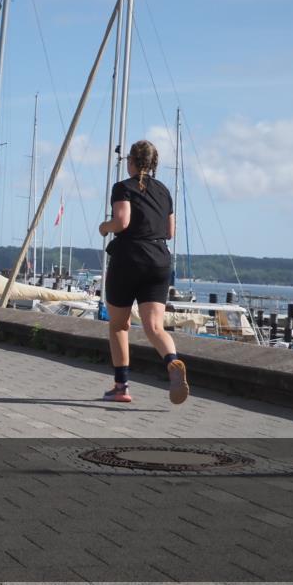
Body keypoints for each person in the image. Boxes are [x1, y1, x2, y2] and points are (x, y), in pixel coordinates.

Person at [98, 140, 188, 405]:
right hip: (159, 259)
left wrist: (105, 227)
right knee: (154, 326)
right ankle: (172, 362)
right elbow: (170, 232)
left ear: (132, 162)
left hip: (129, 258)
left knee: (119, 325)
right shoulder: (164, 191)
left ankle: (121, 387)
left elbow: (122, 221)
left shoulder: (123, 187)